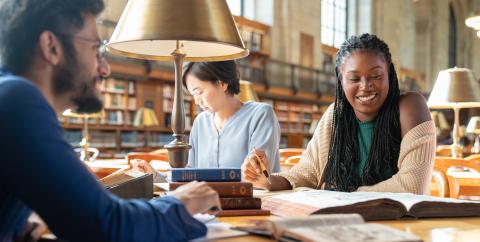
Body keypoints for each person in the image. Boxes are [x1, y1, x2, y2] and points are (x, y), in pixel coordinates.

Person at [0, 0, 220, 241]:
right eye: (96, 50)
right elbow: (108, 226)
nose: (105, 69)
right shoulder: (18, 100)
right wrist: (180, 202)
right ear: (51, 47)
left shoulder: (10, 96)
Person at [242, 33, 435, 194]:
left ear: (390, 75)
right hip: (345, 221)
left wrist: (343, 193)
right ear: (341, 81)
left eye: (376, 76)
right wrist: (266, 180)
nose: (365, 86)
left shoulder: (410, 106)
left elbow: (412, 186)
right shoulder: (336, 114)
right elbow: (307, 172)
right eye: (354, 78)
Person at [134, 61, 281, 181]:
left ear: (222, 83)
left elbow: (258, 175)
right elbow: (190, 175)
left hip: (253, 206)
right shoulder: (200, 122)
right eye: (193, 95)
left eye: (199, 92)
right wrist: (155, 176)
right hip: (206, 207)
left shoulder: (260, 115)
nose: (197, 101)